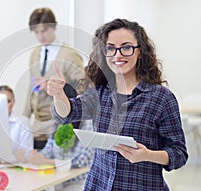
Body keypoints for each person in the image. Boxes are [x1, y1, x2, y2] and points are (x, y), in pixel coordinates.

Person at [47, 18, 188, 190]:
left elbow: (179, 154)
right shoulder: (99, 93)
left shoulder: (161, 98)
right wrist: (58, 94)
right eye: (110, 48)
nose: (118, 55)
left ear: (140, 51)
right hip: (99, 185)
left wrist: (147, 155)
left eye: (126, 47)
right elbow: (67, 114)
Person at [23, 7, 84, 149]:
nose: (40, 36)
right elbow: (30, 87)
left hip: (58, 124)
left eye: (44, 31)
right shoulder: (35, 53)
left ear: (53, 27)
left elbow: (85, 88)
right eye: (36, 32)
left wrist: (58, 86)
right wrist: (24, 118)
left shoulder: (69, 55)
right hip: (37, 125)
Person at [17, 84, 93, 191]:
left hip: (78, 182)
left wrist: (47, 162)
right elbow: (49, 150)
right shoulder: (59, 122)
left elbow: (82, 161)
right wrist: (33, 156)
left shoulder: (87, 123)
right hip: (58, 179)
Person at [0, 85, 33, 164]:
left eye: (7, 101)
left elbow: (26, 153)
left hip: (13, 168)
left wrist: (1, 160)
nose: (3, 105)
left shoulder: (22, 122)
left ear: (13, 102)